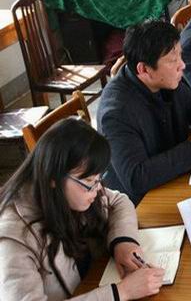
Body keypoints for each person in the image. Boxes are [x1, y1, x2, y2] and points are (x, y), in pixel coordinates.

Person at [0, 119, 165, 300]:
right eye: (89, 181)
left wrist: (123, 242)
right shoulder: (13, 237)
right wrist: (121, 292)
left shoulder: (71, 191)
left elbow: (119, 201)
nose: (97, 188)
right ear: (53, 177)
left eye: (98, 179)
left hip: (94, 279)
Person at [98, 20, 191, 205]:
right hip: (142, 204)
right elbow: (136, 177)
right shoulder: (116, 113)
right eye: (172, 60)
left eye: (180, 56)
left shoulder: (165, 80)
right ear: (144, 69)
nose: (182, 65)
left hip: (175, 178)